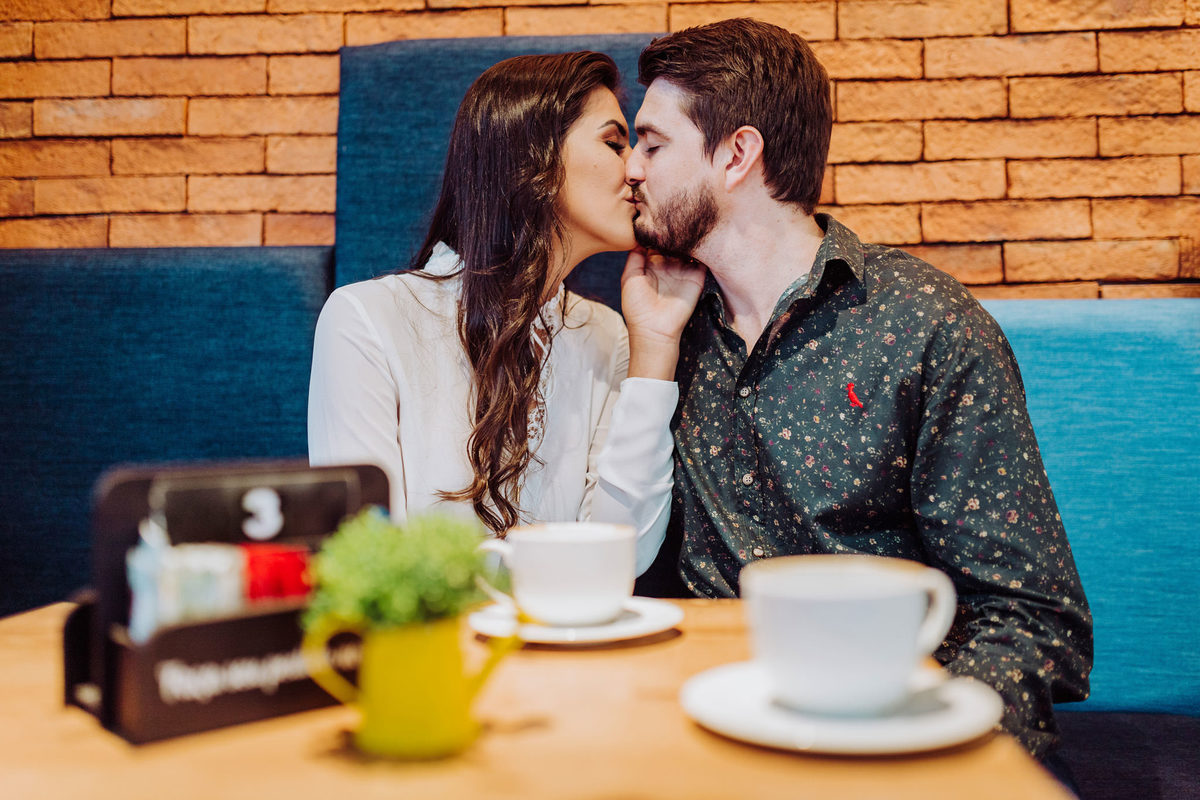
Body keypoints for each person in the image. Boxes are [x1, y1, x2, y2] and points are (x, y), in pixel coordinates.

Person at [618, 18, 1093, 764]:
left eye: (652, 144)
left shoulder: (925, 326)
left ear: (738, 154)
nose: (632, 172)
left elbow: (1031, 617)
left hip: (886, 727)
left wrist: (924, 757)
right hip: (704, 728)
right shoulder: (662, 335)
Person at [308, 52, 694, 575]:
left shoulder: (605, 335)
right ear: (530, 156)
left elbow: (621, 557)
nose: (635, 168)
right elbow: (371, 565)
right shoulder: (366, 320)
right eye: (613, 141)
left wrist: (655, 349)